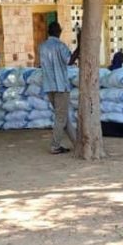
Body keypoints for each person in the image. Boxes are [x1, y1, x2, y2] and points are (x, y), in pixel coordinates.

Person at [38, 22, 77, 154]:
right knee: (61, 118)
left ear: (48, 31)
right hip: (61, 87)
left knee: (63, 117)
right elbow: (70, 61)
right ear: (59, 32)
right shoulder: (61, 46)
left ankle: (77, 143)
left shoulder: (42, 47)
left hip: (49, 86)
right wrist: (79, 47)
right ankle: (55, 146)